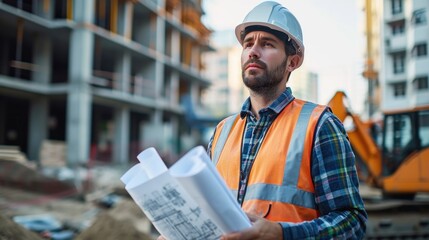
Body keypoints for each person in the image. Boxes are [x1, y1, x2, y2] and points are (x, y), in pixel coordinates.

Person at [207, 1, 367, 239]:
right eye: (248, 43)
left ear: (292, 61)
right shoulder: (222, 131)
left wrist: (281, 234)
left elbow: (352, 223)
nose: (253, 51)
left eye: (267, 44)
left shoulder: (319, 125)